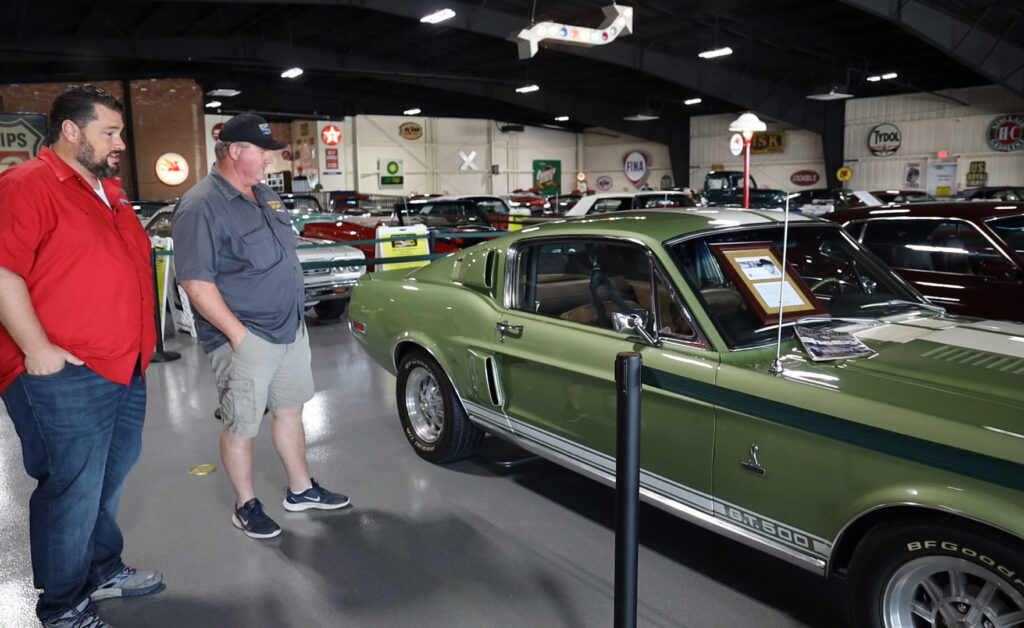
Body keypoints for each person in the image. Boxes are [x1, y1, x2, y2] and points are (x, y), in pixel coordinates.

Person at [0, 85, 162, 628]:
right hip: (62, 374)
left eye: (120, 132)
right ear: (70, 130)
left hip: (123, 366)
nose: (120, 143)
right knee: (72, 486)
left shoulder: (106, 191)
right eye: (109, 132)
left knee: (106, 479)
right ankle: (62, 605)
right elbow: (3, 272)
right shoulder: (29, 185)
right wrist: (37, 350)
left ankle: (101, 568)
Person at [171, 113, 349, 540]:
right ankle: (245, 505)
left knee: (290, 411)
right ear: (236, 151)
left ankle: (300, 489)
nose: (270, 161)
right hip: (245, 339)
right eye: (263, 153)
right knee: (240, 425)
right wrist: (239, 337)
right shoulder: (200, 205)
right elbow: (195, 281)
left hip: (289, 329)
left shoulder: (265, 194)